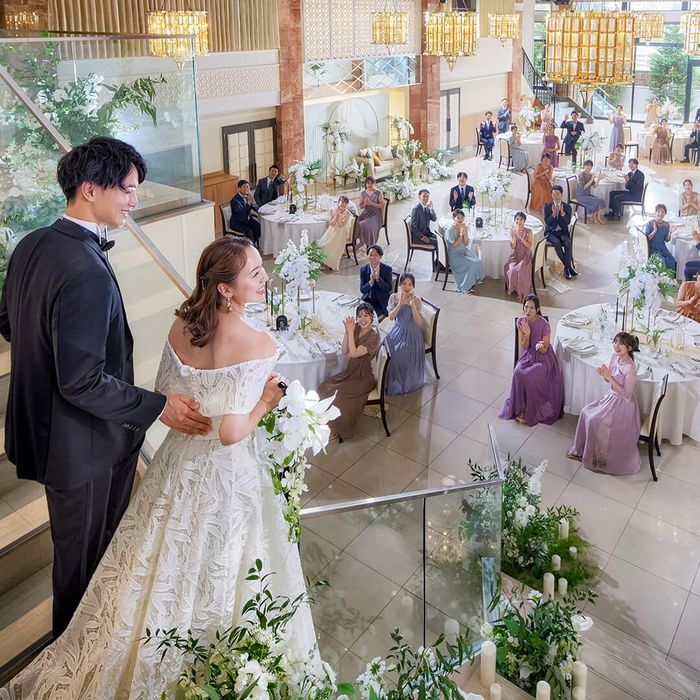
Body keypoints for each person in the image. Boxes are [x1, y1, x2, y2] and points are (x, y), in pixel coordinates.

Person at [0, 237, 323, 700]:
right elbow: (232, 432)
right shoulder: (259, 344)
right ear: (226, 289)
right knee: (226, 567)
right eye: (254, 273)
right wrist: (267, 402)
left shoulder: (180, 328)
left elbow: (169, 393)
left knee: (156, 562)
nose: (264, 277)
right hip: (227, 474)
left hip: (177, 463)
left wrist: (193, 411)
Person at [0, 137, 211, 642]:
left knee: (78, 560)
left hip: (47, 435)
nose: (135, 200)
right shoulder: (85, 270)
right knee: (82, 569)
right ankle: (72, 664)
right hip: (82, 450)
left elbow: (8, 323)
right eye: (128, 190)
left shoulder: (30, 244)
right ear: (91, 189)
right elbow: (82, 382)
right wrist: (158, 406)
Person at [566, 333, 641, 475]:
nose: (616, 346)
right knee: (585, 411)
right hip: (611, 398)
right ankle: (579, 451)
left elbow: (627, 395)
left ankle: (597, 458)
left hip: (622, 405)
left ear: (629, 348)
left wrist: (609, 378)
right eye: (615, 342)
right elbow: (609, 380)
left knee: (594, 420)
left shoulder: (630, 368)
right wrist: (604, 375)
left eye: (621, 343)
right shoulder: (614, 357)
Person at [499, 294, 565, 427]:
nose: (528, 310)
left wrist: (540, 347)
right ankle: (520, 408)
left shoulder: (544, 325)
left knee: (530, 376)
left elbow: (545, 350)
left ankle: (530, 410)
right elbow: (524, 346)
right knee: (518, 372)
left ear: (537, 309)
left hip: (544, 358)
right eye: (526, 307)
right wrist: (527, 333)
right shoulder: (521, 322)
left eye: (532, 308)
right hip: (529, 355)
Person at [319, 302, 380, 440]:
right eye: (359, 316)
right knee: (325, 386)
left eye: (366, 315)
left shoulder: (374, 336)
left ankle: (337, 429)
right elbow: (344, 350)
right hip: (351, 371)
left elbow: (354, 353)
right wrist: (348, 332)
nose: (362, 319)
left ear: (372, 317)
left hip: (363, 377)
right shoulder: (356, 328)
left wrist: (351, 331)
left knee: (339, 395)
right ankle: (326, 422)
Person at [384, 273, 425, 395]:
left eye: (410, 284)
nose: (407, 287)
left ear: (413, 286)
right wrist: (399, 304)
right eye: (404, 284)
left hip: (412, 333)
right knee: (385, 349)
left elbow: (419, 322)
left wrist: (413, 306)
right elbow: (391, 317)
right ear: (400, 285)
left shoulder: (417, 300)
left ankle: (401, 381)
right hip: (397, 330)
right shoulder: (394, 297)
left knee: (398, 353)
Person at [445, 209, 485, 294]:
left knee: (477, 261)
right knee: (472, 264)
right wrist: (461, 234)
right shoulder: (450, 230)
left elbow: (466, 243)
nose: (460, 220)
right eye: (458, 217)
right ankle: (466, 286)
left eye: (462, 218)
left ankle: (471, 281)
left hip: (464, 251)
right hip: (455, 256)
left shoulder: (463, 227)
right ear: (454, 218)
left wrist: (465, 232)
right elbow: (455, 245)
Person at [544, 185, 577, 280]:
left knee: (568, 243)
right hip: (551, 232)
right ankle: (568, 268)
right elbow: (547, 222)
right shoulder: (547, 206)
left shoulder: (567, 207)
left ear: (561, 194)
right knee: (557, 243)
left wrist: (562, 213)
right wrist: (554, 214)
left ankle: (567, 267)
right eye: (553, 194)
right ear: (551, 195)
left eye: (557, 194)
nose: (555, 196)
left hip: (562, 232)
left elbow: (567, 222)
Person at [317, 195, 353, 271]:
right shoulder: (332, 210)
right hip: (332, 231)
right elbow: (332, 223)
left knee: (329, 246)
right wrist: (337, 215)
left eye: (345, 203)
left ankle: (331, 263)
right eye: (342, 202)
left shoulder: (348, 213)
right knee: (321, 244)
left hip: (341, 233)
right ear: (338, 202)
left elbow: (340, 225)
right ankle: (323, 261)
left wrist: (339, 215)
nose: (343, 204)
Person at [504, 211, 534, 301]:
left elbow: (529, 246)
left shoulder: (529, 231)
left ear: (524, 221)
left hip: (526, 256)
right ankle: (514, 288)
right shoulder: (513, 231)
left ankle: (520, 293)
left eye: (521, 219)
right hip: (516, 255)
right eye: (517, 219)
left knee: (520, 270)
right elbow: (513, 247)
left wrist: (520, 238)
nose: (519, 221)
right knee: (510, 269)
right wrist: (514, 237)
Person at [360, 244, 393, 319]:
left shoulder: (387, 269)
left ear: (380, 257)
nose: (372, 257)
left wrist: (378, 279)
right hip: (367, 300)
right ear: (367, 256)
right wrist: (371, 282)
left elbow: (388, 289)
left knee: (369, 317)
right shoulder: (363, 269)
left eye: (376, 255)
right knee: (359, 315)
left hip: (380, 302)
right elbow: (362, 290)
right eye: (370, 255)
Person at [644, 203, 677, 272]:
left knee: (672, 261)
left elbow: (666, 239)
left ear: (665, 213)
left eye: (663, 212)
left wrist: (670, 233)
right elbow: (646, 239)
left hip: (663, 248)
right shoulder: (649, 223)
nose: (660, 214)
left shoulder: (666, 224)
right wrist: (654, 231)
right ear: (655, 212)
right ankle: (661, 277)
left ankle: (669, 278)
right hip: (653, 249)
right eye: (658, 211)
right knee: (662, 262)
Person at [229, 179, 261, 245]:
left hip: (247, 220)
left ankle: (252, 244)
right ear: (239, 189)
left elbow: (257, 209)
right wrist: (248, 203)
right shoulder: (235, 201)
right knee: (249, 232)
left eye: (247, 187)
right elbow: (241, 215)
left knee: (258, 228)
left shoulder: (248, 196)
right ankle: (248, 247)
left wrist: (254, 203)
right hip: (238, 222)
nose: (246, 189)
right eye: (244, 187)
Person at [356, 175, 384, 248]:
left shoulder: (378, 193)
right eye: (368, 183)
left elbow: (381, 205)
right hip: (365, 213)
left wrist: (371, 203)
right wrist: (365, 204)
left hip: (375, 215)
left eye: (371, 183)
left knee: (364, 224)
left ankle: (365, 242)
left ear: (374, 183)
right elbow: (360, 206)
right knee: (356, 223)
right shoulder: (363, 193)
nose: (369, 185)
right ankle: (361, 241)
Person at [576, 160, 607, 225]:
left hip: (587, 195)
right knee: (597, 201)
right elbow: (584, 188)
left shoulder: (590, 175)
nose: (589, 167)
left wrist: (599, 179)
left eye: (591, 165)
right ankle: (596, 218)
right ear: (584, 166)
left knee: (600, 200)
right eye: (587, 165)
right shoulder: (581, 175)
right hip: (581, 196)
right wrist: (592, 179)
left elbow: (595, 186)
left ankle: (595, 217)